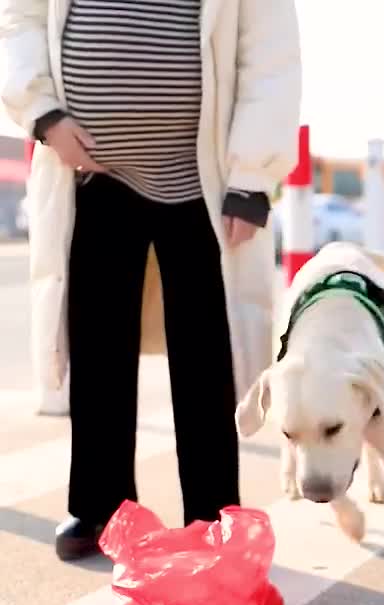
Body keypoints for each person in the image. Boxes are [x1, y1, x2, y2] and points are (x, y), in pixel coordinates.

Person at [0, 0, 302, 560]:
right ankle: (100, 506)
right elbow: (21, 18)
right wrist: (43, 113)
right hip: (91, 173)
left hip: (201, 179)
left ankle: (211, 517)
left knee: (207, 358)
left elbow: (269, 54)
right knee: (97, 350)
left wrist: (252, 178)